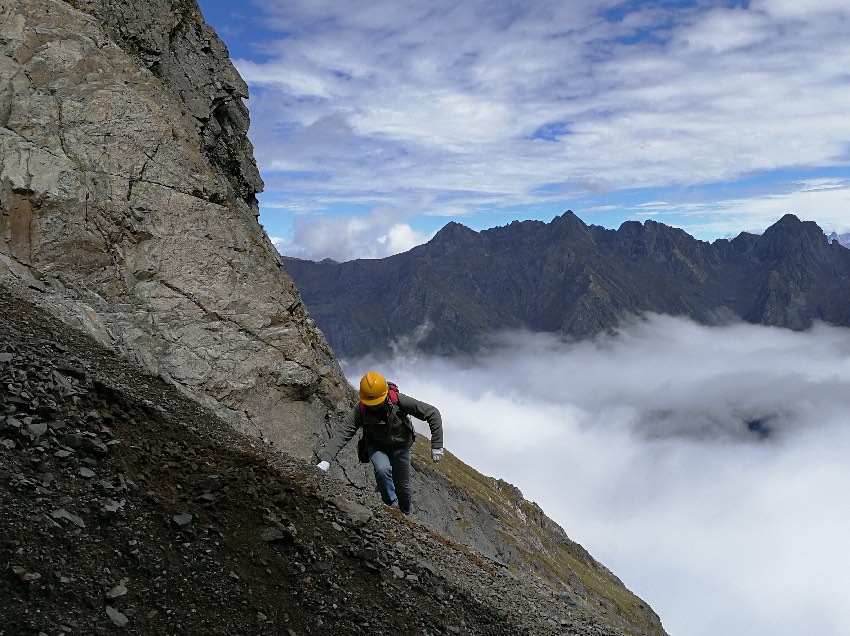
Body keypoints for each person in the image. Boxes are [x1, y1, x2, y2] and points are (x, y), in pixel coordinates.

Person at [316, 371, 443, 515]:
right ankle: (392, 508)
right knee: (382, 470)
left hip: (401, 448)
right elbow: (343, 432)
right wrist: (326, 460)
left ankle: (406, 515)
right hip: (376, 446)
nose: (374, 406)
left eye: (377, 402)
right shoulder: (361, 410)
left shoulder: (398, 401)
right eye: (371, 403)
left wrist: (437, 445)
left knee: (404, 488)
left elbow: (432, 413)